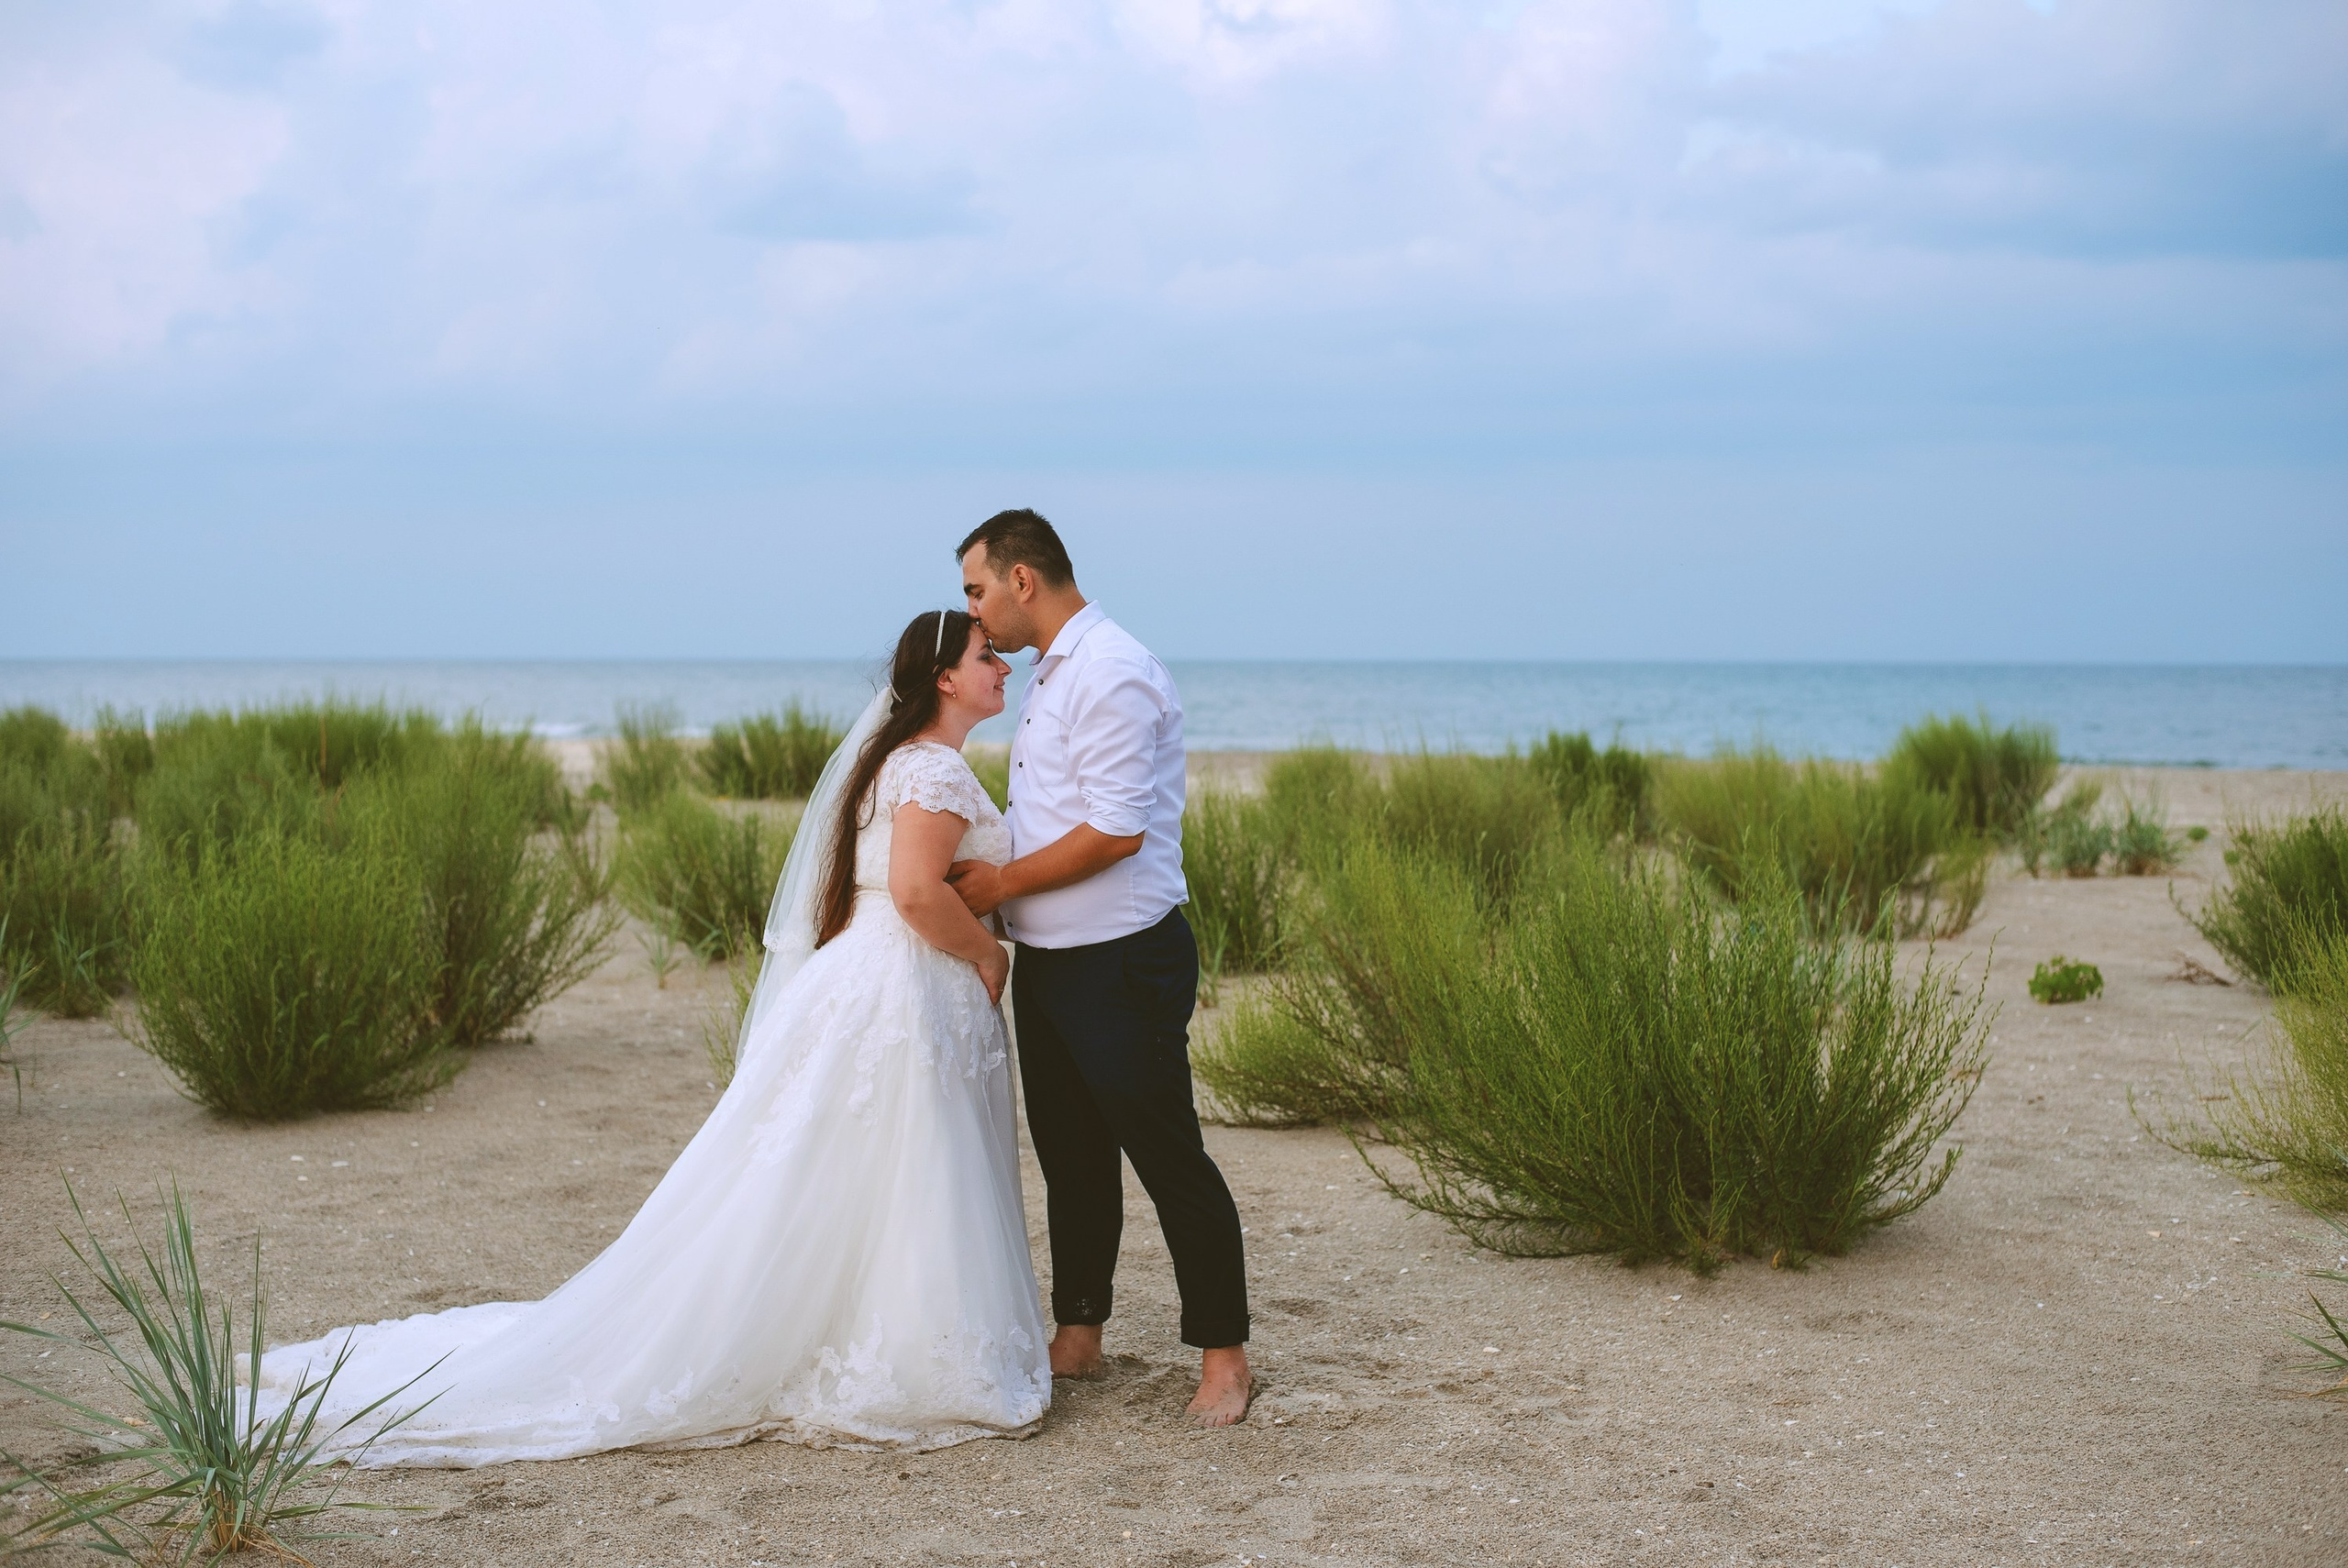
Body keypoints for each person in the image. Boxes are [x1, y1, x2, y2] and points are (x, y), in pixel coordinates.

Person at [249, 612, 1049, 1464]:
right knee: (907, 1166)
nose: (1003, 666)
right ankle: (908, 1353)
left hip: (870, 982)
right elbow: (917, 894)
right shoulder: (930, 769)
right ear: (944, 679)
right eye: (985, 655)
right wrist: (989, 958)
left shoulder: (892, 764)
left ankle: (859, 1325)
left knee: (864, 1170)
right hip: (904, 986)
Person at [948, 509, 1253, 1428]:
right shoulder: (1056, 675)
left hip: (1121, 963)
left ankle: (1225, 1359)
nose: (973, 611)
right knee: (1073, 1160)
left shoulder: (1112, 671)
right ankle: (1079, 1336)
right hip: (1052, 962)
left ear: (1022, 580)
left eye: (977, 590)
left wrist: (998, 879)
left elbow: (1117, 831)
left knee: (1167, 1157)